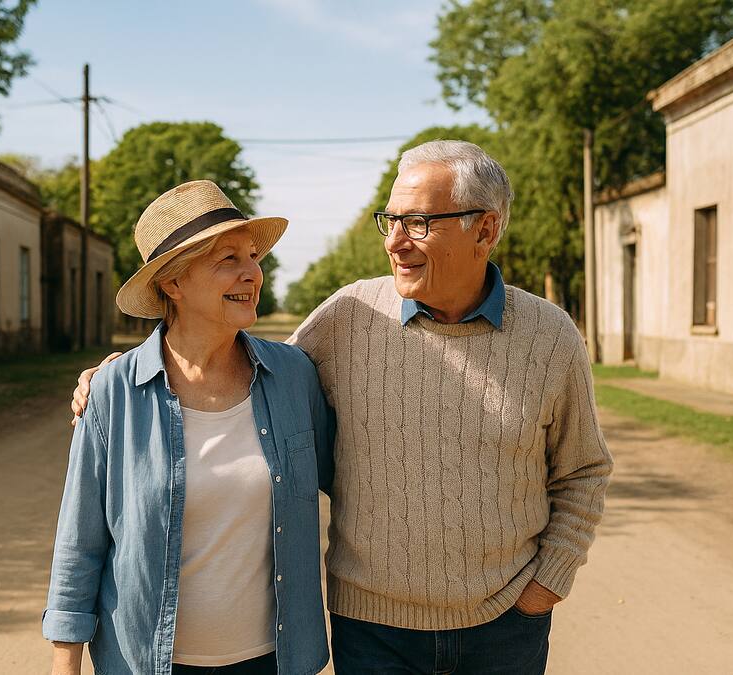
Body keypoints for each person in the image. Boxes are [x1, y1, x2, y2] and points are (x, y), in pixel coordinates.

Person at [73, 141, 612, 674]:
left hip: (505, 631)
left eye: (419, 223)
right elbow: (240, 366)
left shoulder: (550, 336)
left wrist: (546, 586)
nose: (395, 242)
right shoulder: (349, 316)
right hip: (373, 635)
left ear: (486, 230)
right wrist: (126, 373)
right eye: (391, 220)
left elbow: (583, 470)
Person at [46, 180, 334, 675]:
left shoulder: (294, 376)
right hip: (146, 663)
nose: (253, 273)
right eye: (229, 259)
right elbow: (80, 543)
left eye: (252, 256)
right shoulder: (113, 391)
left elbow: (351, 480)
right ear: (172, 284)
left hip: (274, 661)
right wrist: (64, 663)